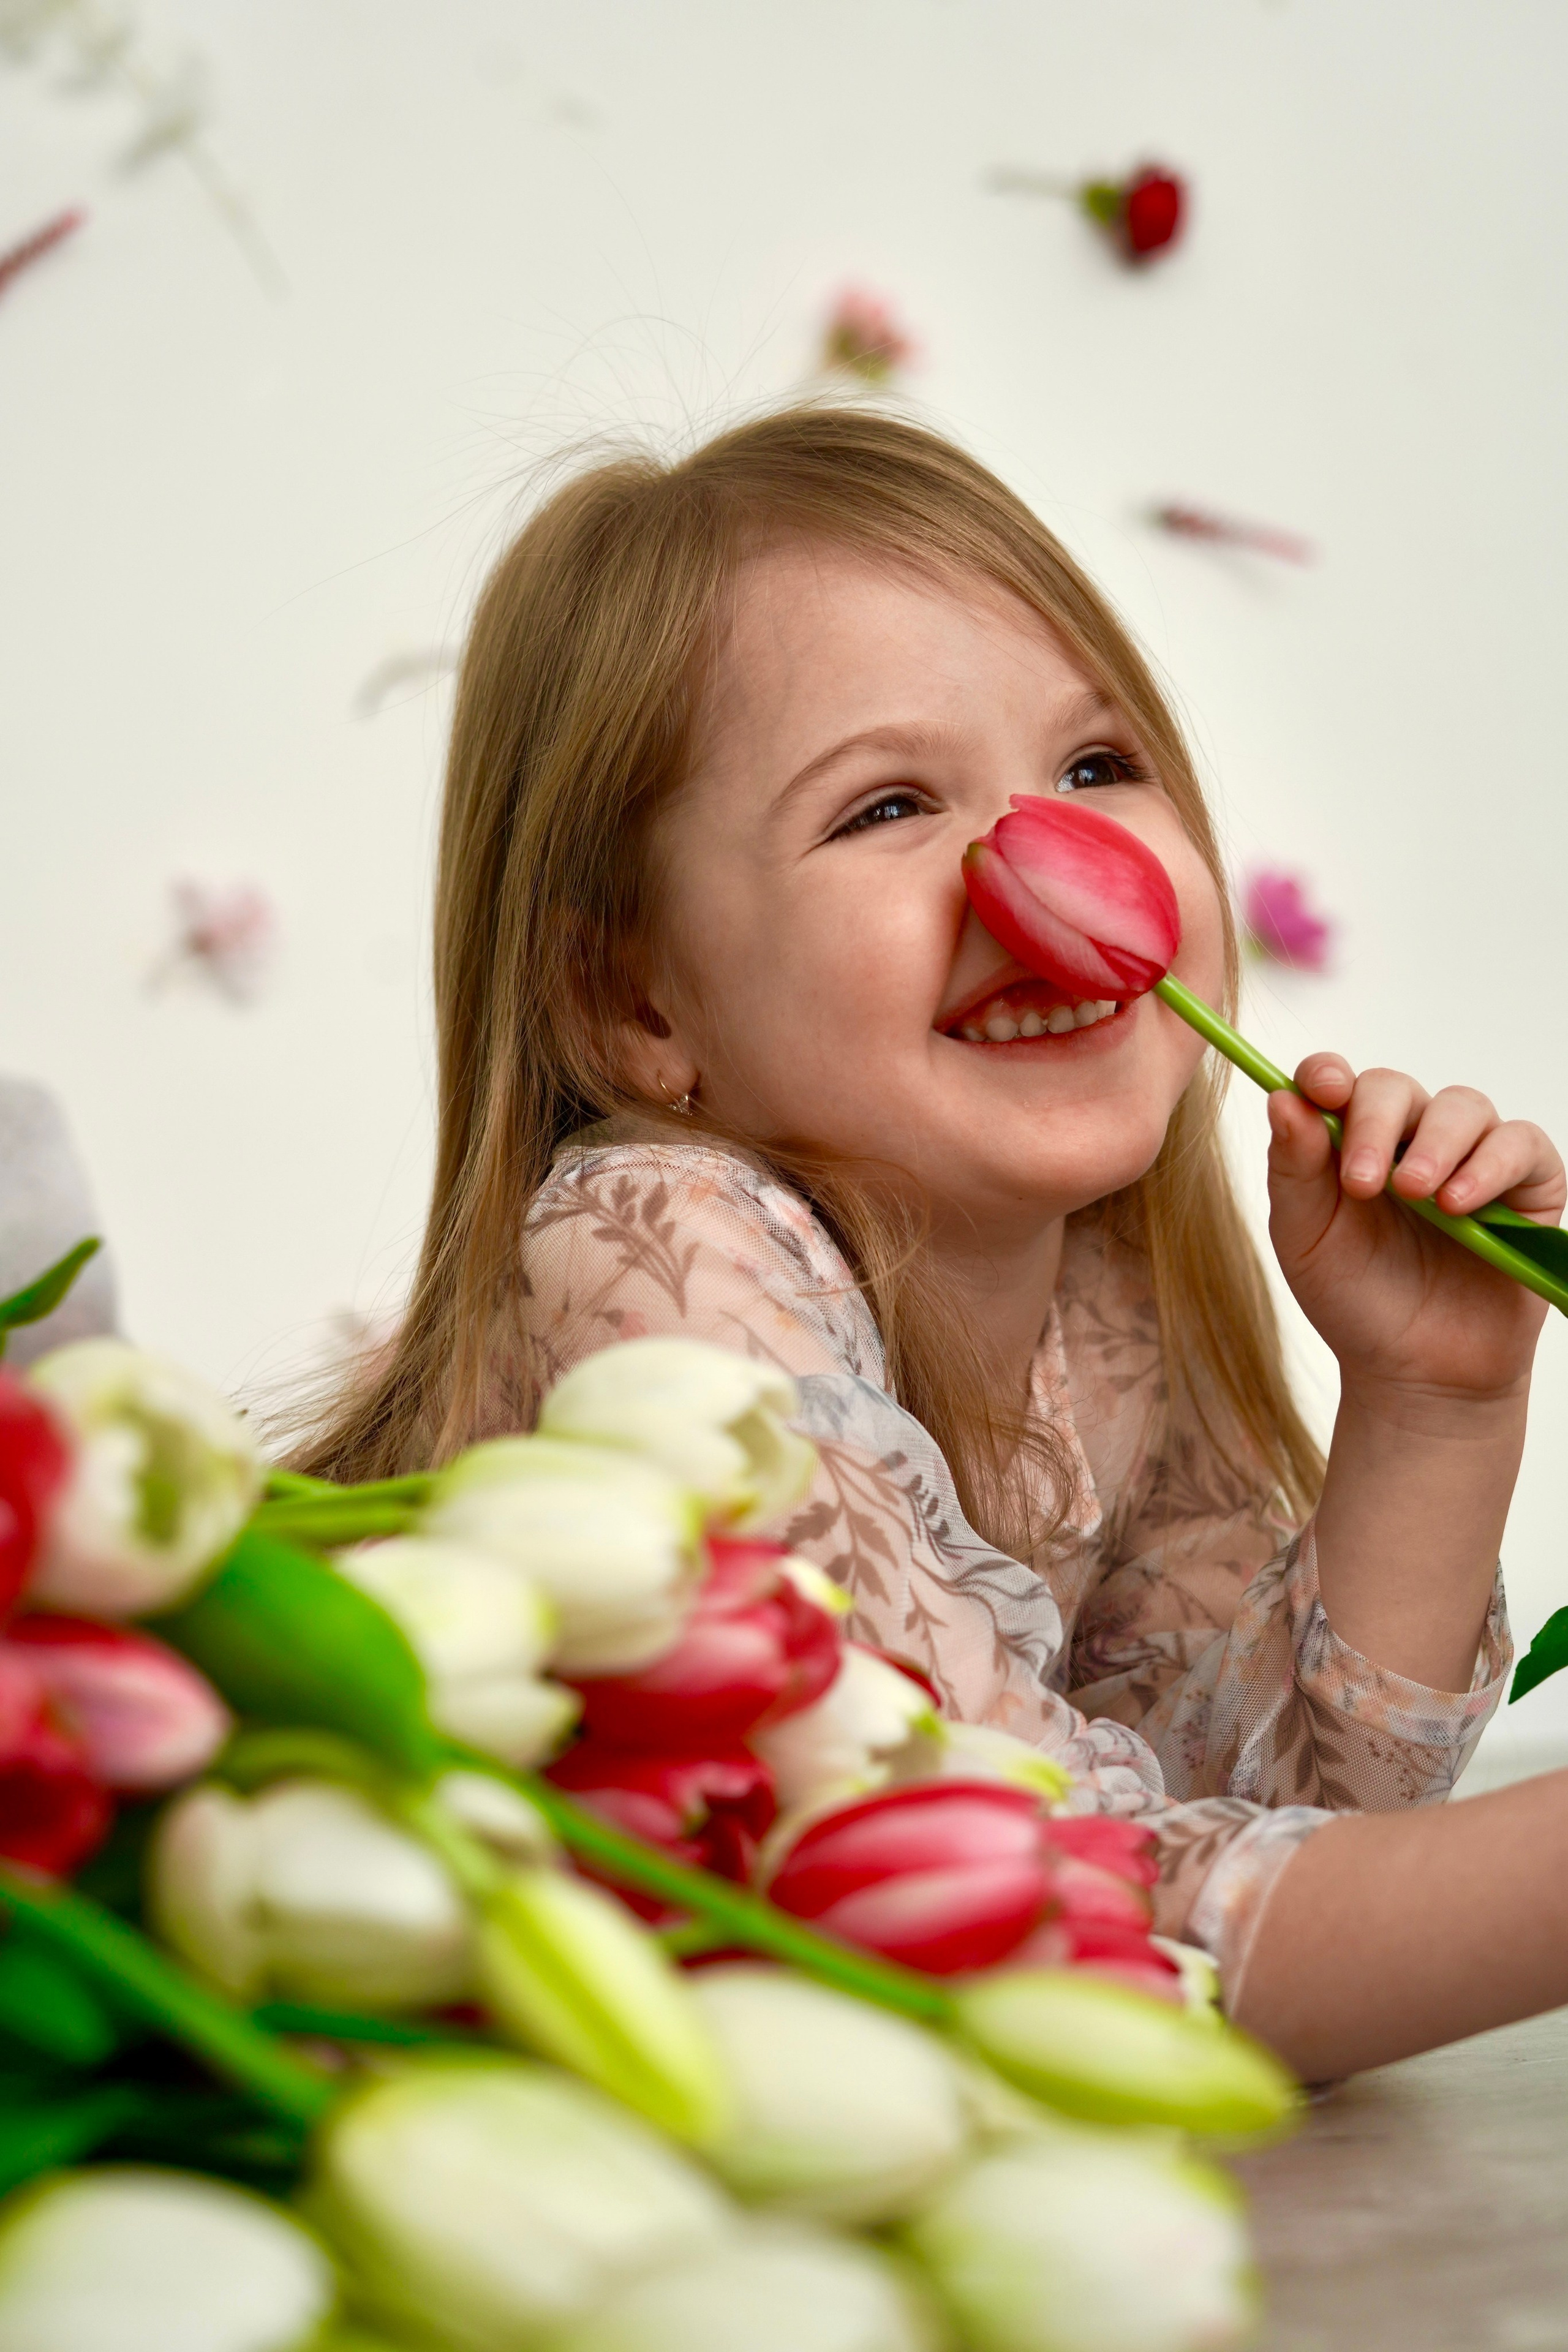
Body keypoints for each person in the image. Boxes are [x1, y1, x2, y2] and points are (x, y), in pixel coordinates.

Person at [309, 406, 1568, 2082]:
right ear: (636, 1003)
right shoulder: (656, 1249)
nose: (1049, 868)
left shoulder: (1110, 1293)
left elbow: (1271, 1820)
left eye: (1096, 768)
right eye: (889, 805)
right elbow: (1037, 1911)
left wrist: (1430, 1408)